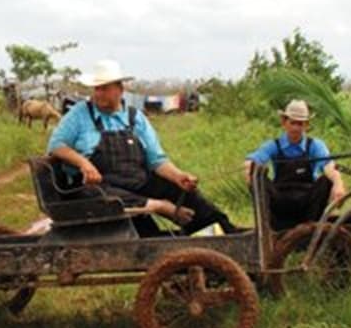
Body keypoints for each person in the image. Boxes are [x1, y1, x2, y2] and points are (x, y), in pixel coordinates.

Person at [48, 59, 234, 236]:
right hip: (97, 187)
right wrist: (83, 164)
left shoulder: (135, 118)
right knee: (99, 195)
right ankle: (159, 207)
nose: (98, 93)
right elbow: (56, 145)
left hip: (136, 184)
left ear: (120, 90)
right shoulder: (80, 114)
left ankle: (227, 236)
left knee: (185, 193)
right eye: (96, 88)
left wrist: (178, 176)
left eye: (104, 88)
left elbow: (156, 160)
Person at [244, 99, 347, 231]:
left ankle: (313, 229)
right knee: (257, 177)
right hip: (280, 201)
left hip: (308, 204)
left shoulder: (315, 146)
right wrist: (250, 170)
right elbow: (252, 160)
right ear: (284, 122)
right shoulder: (274, 145)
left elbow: (329, 166)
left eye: (300, 124)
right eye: (292, 123)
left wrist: (338, 184)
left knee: (326, 181)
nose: (296, 128)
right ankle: (269, 229)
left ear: (306, 125)